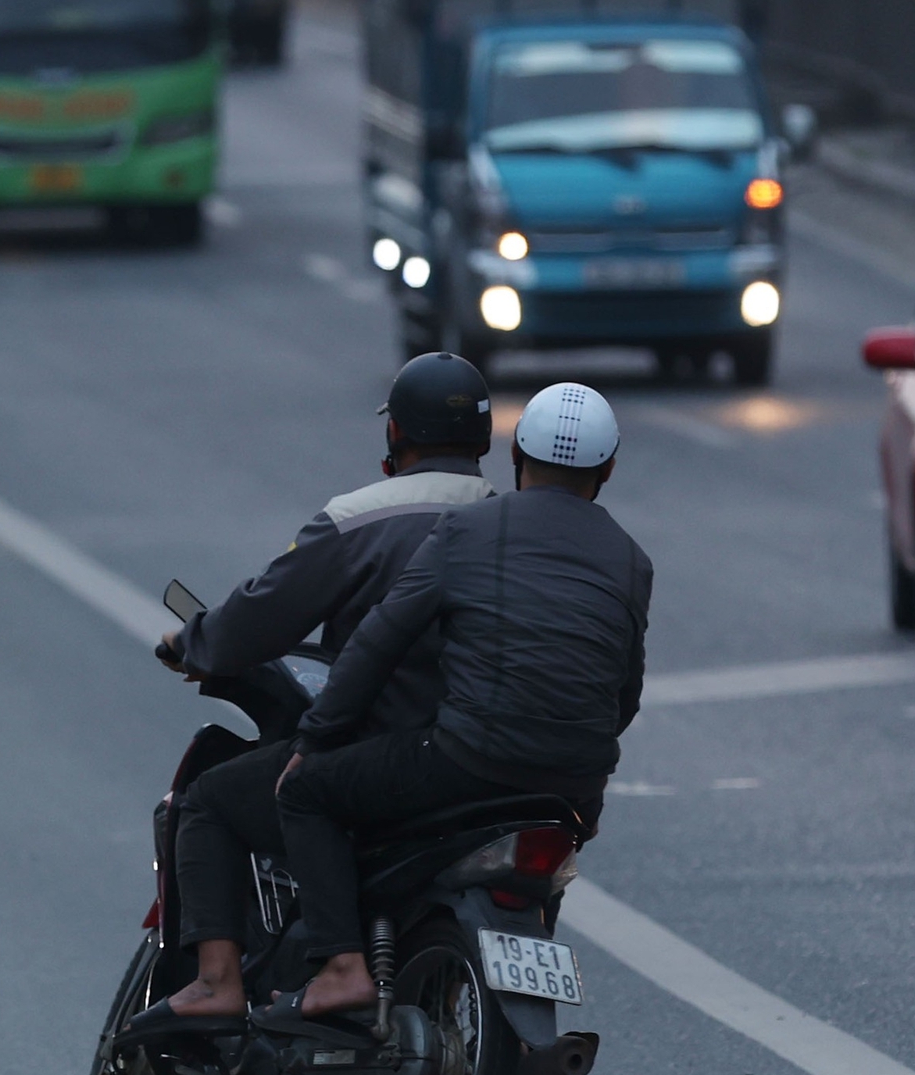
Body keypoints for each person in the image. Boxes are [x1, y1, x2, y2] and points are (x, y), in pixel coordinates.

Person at [273, 381, 651, 1021]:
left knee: (306, 794)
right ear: (608, 469)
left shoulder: (469, 528)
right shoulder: (630, 561)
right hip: (578, 790)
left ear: (516, 455)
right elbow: (625, 692)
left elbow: (378, 642)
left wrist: (316, 740)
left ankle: (340, 966)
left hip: (468, 761)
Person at [146, 355, 495, 1027]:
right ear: (483, 441)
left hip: (387, 759)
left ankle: (220, 981)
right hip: (484, 759)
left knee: (214, 800)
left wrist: (193, 643)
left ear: (395, 435)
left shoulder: (358, 519)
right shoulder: (504, 521)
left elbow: (259, 613)